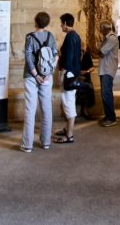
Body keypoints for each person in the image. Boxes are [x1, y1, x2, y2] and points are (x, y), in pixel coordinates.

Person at [21, 11, 57, 153]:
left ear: (35, 22)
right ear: (47, 23)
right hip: (47, 76)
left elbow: (28, 58)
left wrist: (36, 76)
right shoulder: (50, 36)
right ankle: (46, 142)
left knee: (30, 109)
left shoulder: (30, 37)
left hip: (31, 76)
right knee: (46, 108)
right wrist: (49, 73)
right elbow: (55, 56)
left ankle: (27, 145)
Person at [54, 13, 82, 144]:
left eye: (61, 23)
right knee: (68, 102)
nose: (61, 26)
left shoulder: (70, 37)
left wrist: (62, 74)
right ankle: (66, 129)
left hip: (69, 74)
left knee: (68, 103)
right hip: (74, 72)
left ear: (65, 23)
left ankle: (69, 135)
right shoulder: (76, 35)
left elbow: (69, 57)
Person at [98, 22, 119, 126]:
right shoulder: (106, 38)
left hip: (108, 69)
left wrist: (99, 50)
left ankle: (112, 118)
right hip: (103, 69)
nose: (100, 31)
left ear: (105, 29)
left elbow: (102, 52)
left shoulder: (112, 38)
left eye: (100, 29)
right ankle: (107, 115)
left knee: (106, 93)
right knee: (104, 93)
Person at [76, 48, 96, 120]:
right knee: (78, 88)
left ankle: (85, 110)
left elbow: (92, 68)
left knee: (89, 87)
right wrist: (78, 75)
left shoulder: (87, 55)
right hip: (76, 77)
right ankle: (76, 112)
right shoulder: (74, 54)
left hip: (86, 77)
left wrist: (86, 71)